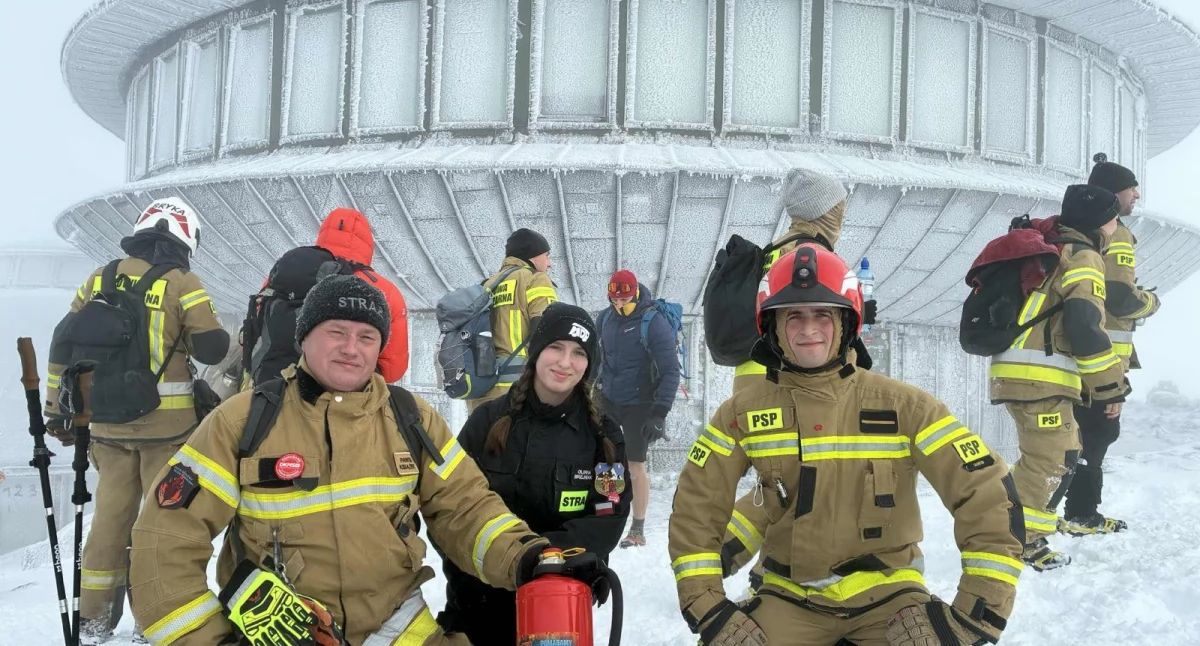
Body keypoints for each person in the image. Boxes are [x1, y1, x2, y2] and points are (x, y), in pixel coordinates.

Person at [128, 275, 601, 645]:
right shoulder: (242, 421)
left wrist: (529, 556)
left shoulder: (411, 418)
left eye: (367, 337)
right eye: (336, 332)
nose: (351, 349)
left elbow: (467, 509)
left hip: (401, 632)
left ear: (380, 348)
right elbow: (164, 543)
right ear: (305, 337)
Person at [669, 245, 1024, 645]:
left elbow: (987, 492)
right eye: (793, 316)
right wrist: (709, 610)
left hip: (892, 598)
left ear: (847, 322)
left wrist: (973, 617)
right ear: (770, 325)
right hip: (788, 596)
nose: (808, 329)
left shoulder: (906, 407)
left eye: (823, 314)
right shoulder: (741, 414)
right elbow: (697, 507)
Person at [42, 197, 229, 644]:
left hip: (104, 428)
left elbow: (63, 343)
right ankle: (154, 619)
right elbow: (212, 350)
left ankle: (92, 621)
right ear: (186, 237)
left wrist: (56, 409)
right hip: (167, 432)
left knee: (108, 523)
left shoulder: (100, 277)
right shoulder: (183, 282)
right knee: (160, 526)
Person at [438, 303, 631, 644]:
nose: (564, 362)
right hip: (479, 598)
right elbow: (449, 505)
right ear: (536, 351)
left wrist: (544, 558)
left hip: (557, 604)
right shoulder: (486, 421)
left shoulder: (604, 435)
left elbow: (609, 515)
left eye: (578, 353)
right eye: (556, 347)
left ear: (589, 365)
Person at [989, 184, 1128, 570]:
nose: (1118, 224)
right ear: (1100, 221)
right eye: (1115, 217)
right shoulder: (1083, 256)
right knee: (1054, 458)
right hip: (1039, 376)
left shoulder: (1056, 249)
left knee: (1045, 457)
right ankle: (1020, 541)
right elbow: (1085, 324)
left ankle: (1006, 528)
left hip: (1024, 373)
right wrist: (1110, 388)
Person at [1059, 155, 1161, 536]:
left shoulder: (1077, 230)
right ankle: (1081, 512)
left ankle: (1068, 509)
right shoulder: (1115, 233)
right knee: (1097, 433)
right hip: (1101, 359)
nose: (1136, 194)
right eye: (1132, 187)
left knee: (1079, 433)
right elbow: (1119, 296)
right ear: (1115, 193)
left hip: (1079, 355)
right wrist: (1150, 302)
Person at [244, 206, 409, 386]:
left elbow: (256, 327)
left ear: (322, 235)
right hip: (344, 396)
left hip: (272, 384)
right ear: (368, 243)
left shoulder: (283, 274)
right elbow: (393, 369)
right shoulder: (384, 290)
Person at [594, 269, 680, 548]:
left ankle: (638, 528)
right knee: (607, 459)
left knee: (634, 465)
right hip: (608, 397)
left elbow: (670, 371)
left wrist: (659, 413)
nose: (619, 305)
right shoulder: (605, 318)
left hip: (640, 404)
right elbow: (597, 359)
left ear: (636, 293)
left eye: (625, 300)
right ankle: (608, 514)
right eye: (614, 300)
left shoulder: (652, 322)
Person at [468, 228, 558, 413]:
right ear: (533, 256)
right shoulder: (536, 279)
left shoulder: (487, 285)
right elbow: (547, 332)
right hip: (517, 393)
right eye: (546, 256)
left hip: (481, 390)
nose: (549, 264)